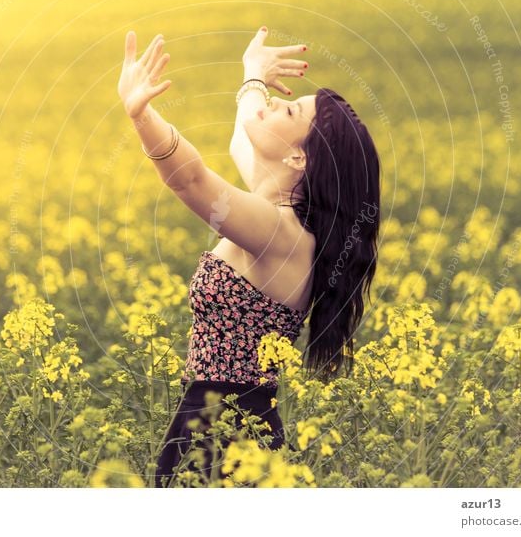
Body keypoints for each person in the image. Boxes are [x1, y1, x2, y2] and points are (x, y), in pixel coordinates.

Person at [117, 26, 381, 488]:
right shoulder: (273, 206)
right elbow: (244, 135)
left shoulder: (283, 235)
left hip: (231, 435)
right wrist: (253, 74)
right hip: (218, 422)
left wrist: (140, 115)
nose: (277, 103)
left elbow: (190, 181)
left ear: (300, 159)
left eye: (291, 109)